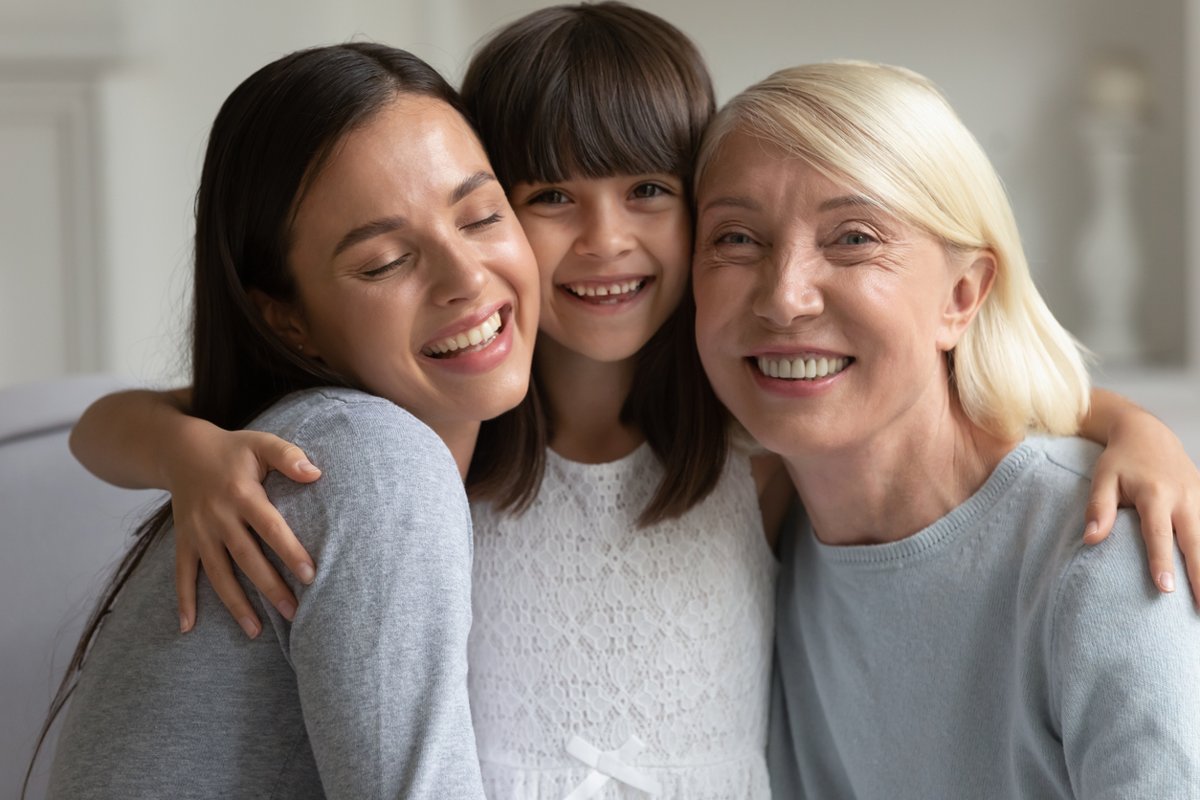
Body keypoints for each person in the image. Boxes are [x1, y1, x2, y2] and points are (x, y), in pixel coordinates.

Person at [66, 7, 1200, 800]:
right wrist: (187, 451)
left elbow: (914, 381)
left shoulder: (742, 436)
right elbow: (110, 418)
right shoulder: (434, 446)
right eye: (548, 195)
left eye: (650, 191)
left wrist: (1136, 428)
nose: (605, 241)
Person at [38, 42, 539, 800]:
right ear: (287, 321)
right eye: (382, 263)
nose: (466, 277)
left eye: (480, 216)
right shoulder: (369, 462)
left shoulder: (317, 439)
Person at [691, 60, 1200, 798]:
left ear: (961, 296)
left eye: (853, 237)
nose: (784, 296)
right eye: (737, 240)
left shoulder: (1102, 550)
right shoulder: (754, 539)